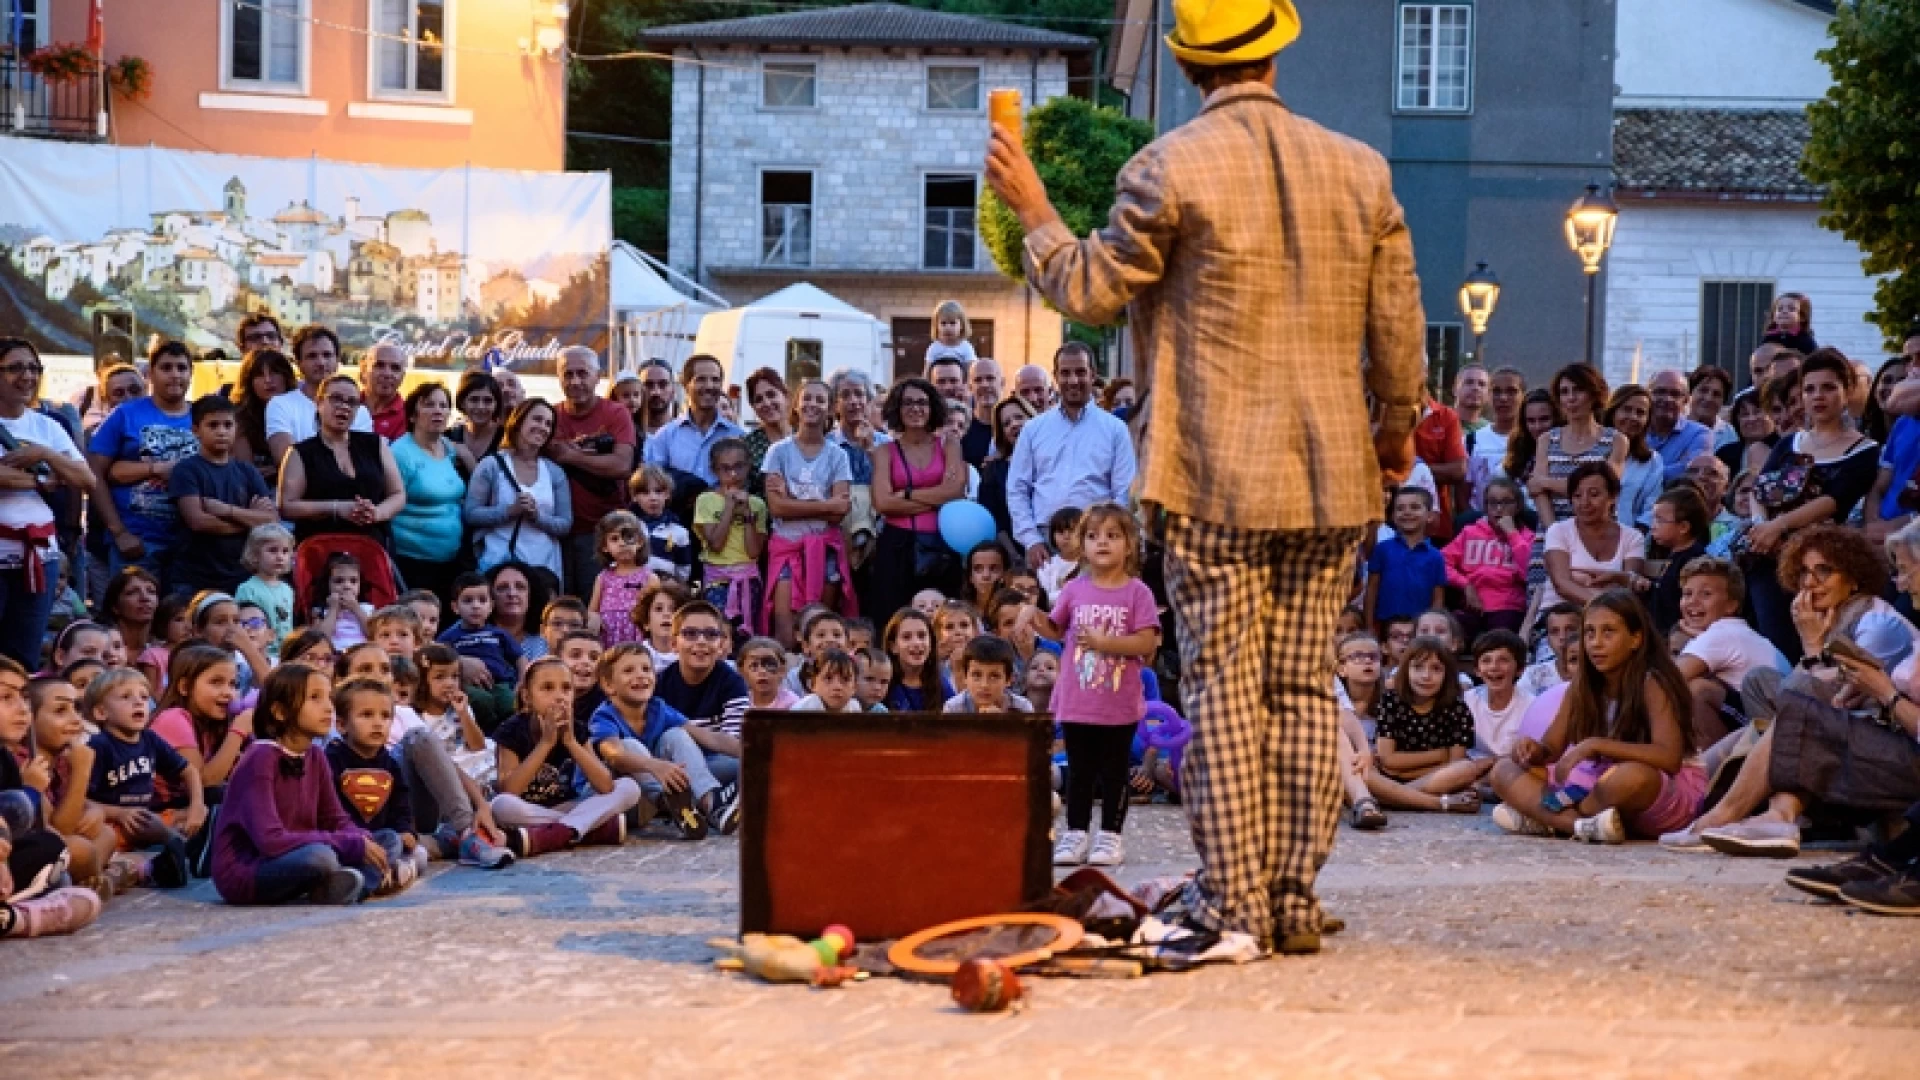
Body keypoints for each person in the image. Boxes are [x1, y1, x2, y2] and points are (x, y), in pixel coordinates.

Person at [989, 0, 1424, 951]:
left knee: (1227, 688)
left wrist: (1036, 211)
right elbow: (1398, 325)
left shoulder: (1167, 166)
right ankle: (1294, 899)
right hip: (1332, 477)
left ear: (1189, 67)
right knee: (1306, 686)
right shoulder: (1362, 168)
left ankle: (1235, 902)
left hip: (1212, 474)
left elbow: (1092, 290)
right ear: (1275, 49)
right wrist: (1396, 431)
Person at [1491, 591, 1703, 844]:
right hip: (1594, 786)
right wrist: (1530, 750)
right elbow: (1551, 750)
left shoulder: (1652, 682)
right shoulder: (1581, 685)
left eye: (1608, 632)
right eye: (1589, 633)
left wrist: (1596, 744)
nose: (1595, 643)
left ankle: (1548, 820)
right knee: (1502, 769)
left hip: (1659, 791)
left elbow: (1669, 758)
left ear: (1636, 639)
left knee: (1632, 777)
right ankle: (1580, 825)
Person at [1023, 505, 1159, 867]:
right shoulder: (1074, 590)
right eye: (1094, 536)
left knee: (1114, 772)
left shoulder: (1137, 593)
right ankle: (1076, 833)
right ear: (1082, 545)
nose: (1103, 543)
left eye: (1113, 536)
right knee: (1080, 770)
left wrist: (1106, 643)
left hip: (1118, 701)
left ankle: (1110, 837)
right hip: (1077, 699)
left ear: (1129, 546)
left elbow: (1147, 643)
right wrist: (1031, 615)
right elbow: (1055, 629)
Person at [1744, 350, 1880, 661]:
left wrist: (1779, 525)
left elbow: (1834, 500)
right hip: (1767, 558)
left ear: (1846, 392)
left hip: (1821, 566)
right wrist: (1760, 525)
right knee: (1771, 645)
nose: (1819, 396)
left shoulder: (1865, 450)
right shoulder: (1788, 442)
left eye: (1829, 387)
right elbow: (1759, 488)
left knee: (1810, 647)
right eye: (1810, 389)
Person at [209, 664, 383, 905]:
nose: (328, 708)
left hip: (298, 849)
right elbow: (270, 841)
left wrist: (361, 839)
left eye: (329, 698)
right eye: (315, 698)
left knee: (386, 840)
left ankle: (340, 886)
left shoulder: (315, 755)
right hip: (251, 869)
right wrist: (349, 844)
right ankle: (366, 881)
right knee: (321, 857)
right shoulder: (260, 758)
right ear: (280, 712)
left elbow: (335, 819)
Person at [490, 657, 641, 858]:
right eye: (547, 688)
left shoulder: (577, 729)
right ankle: (588, 829)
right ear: (527, 697)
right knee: (501, 806)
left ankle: (556, 834)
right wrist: (546, 743)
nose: (559, 696)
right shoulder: (512, 730)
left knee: (630, 787)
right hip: (528, 810)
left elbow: (605, 785)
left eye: (566, 688)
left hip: (568, 805)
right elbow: (510, 790)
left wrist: (571, 742)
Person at [0, 339, 93, 665]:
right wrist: (42, 479)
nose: (26, 376)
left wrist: (44, 453)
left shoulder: (47, 427)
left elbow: (86, 479)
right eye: (14, 368)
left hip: (40, 558)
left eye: (33, 368)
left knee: (24, 658)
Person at [1006, 343, 1136, 573]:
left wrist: (1110, 538)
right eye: (1065, 373)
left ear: (1093, 375)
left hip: (1097, 539)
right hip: (1045, 544)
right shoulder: (1034, 430)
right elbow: (1017, 488)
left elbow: (1124, 490)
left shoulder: (1115, 429)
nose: (1073, 380)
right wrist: (1031, 540)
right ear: (1055, 376)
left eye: (1080, 372)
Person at [89, 340, 199, 587]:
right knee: (133, 619)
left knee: (182, 622)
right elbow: (94, 472)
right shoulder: (126, 414)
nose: (175, 375)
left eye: (182, 368)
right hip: (136, 543)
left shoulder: (204, 416)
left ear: (191, 373)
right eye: (166, 367)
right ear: (150, 374)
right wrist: (119, 533)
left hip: (189, 546)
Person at [586, 643, 722, 841]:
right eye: (628, 671)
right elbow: (614, 755)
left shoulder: (658, 708)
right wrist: (655, 766)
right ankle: (671, 804)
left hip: (649, 799)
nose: (640, 675)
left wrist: (749, 751)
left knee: (676, 735)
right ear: (608, 685)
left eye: (646, 669)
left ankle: (710, 804)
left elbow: (708, 737)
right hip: (622, 801)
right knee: (630, 745)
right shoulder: (604, 716)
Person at [868, 379, 968, 625]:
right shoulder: (884, 452)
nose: (916, 408)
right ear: (897, 409)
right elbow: (883, 503)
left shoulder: (949, 445)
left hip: (942, 546)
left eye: (922, 402)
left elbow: (955, 491)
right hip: (897, 547)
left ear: (933, 407)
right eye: (908, 403)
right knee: (894, 621)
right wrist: (936, 497)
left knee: (943, 622)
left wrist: (907, 494)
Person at [763, 380, 854, 648]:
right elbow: (777, 508)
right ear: (796, 405)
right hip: (788, 549)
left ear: (830, 409)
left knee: (821, 630)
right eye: (807, 398)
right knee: (785, 631)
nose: (812, 404)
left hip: (824, 549)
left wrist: (792, 500)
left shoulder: (837, 455)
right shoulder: (778, 451)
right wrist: (825, 504)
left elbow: (839, 513)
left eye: (820, 400)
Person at [545, 348, 639, 597]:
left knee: (595, 606)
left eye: (583, 373)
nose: (575, 381)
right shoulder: (549, 417)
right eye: (568, 374)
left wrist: (571, 455)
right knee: (561, 604)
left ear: (598, 377)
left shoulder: (615, 413)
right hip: (555, 530)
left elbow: (621, 465)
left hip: (603, 532)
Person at [276, 373, 405, 550]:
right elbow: (287, 506)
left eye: (352, 402)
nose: (344, 407)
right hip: (320, 547)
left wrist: (377, 513)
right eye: (336, 399)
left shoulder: (375, 444)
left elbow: (398, 493)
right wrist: (337, 508)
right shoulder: (300, 452)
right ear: (319, 402)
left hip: (371, 545)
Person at [1671, 558, 1788, 748]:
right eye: (1687, 594)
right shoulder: (1734, 631)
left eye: (1706, 594)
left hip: (1772, 729)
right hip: (1769, 720)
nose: (1692, 602)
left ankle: (1708, 770)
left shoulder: (1722, 634)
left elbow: (1666, 679)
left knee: (1696, 689)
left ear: (1731, 606)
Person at [1363, 636, 1488, 813]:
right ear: (1405, 670)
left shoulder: (1457, 708)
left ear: (1447, 674)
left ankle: (1392, 798)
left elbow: (1454, 762)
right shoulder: (1391, 701)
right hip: (1390, 777)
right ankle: (1423, 800)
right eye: (1418, 667)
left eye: (1436, 669)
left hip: (1432, 778)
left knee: (1466, 769)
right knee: (1366, 771)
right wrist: (1440, 754)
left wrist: (1401, 772)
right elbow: (1388, 759)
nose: (1426, 676)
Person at [169, 395, 277, 597]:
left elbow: (271, 519)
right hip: (194, 576)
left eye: (228, 425)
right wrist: (249, 520)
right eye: (213, 425)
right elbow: (198, 521)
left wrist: (226, 510)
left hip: (241, 576)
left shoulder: (247, 471)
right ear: (196, 430)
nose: (221, 431)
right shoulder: (186, 470)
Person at [653, 603, 748, 819]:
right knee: (673, 734)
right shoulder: (659, 684)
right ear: (674, 643)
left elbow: (732, 744)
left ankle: (691, 803)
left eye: (711, 634)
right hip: (673, 769)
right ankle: (714, 804)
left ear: (721, 643)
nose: (701, 641)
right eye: (690, 634)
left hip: (715, 764)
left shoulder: (732, 682)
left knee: (756, 767)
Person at [465, 399, 572, 584]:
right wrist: (509, 511)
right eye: (537, 419)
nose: (543, 427)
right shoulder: (491, 465)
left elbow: (565, 523)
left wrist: (537, 517)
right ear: (519, 422)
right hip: (499, 561)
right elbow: (471, 513)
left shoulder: (554, 472)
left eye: (548, 423)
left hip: (543, 565)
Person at [1533, 461, 1647, 625]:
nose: (1584, 503)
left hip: (1609, 620)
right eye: (1577, 496)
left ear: (1613, 497)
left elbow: (1629, 586)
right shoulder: (1558, 531)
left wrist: (1608, 606)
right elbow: (1561, 584)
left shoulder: (1633, 537)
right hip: (1560, 620)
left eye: (1594, 494)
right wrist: (1604, 604)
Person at [389, 382, 468, 603]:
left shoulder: (449, 448)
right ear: (413, 415)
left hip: (450, 561)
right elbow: (388, 502)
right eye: (429, 405)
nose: (438, 411)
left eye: (444, 406)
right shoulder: (400, 453)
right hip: (411, 562)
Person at [1530, 364, 1629, 535]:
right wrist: (1555, 532)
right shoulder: (1546, 440)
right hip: (1553, 530)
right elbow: (1538, 493)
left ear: (1593, 394)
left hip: (1598, 533)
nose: (1571, 398)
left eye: (1578, 390)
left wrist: (1546, 482)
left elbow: (1603, 487)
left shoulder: (1616, 440)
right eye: (1564, 392)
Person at [264, 327, 373, 468]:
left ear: (337, 360)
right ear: (298, 363)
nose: (321, 362)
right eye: (312, 356)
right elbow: (287, 462)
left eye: (327, 355)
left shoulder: (360, 412)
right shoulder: (280, 405)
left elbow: (361, 463)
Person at [695, 439, 768, 638]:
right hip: (717, 581)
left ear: (749, 466)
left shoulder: (757, 504)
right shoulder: (706, 500)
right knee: (718, 633)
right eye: (725, 469)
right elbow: (716, 544)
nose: (733, 475)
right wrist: (728, 507)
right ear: (714, 470)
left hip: (748, 579)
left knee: (745, 635)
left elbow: (754, 551)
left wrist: (747, 514)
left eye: (738, 467)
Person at [1443, 477, 1532, 639]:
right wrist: (1465, 585)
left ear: (1518, 506)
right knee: (1450, 632)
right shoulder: (1469, 532)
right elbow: (1440, 563)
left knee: (1500, 638)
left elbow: (1529, 573)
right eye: (1492, 503)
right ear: (1485, 507)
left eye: (1506, 503)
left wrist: (1512, 535)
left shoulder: (1527, 537)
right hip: (1472, 604)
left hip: (1508, 606)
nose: (1498, 509)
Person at [1364, 488, 1446, 632]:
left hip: (1419, 627)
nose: (1407, 512)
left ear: (1429, 516)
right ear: (1393, 516)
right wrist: (1369, 626)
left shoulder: (1435, 556)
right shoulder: (1382, 549)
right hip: (1384, 624)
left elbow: (1438, 598)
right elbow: (1371, 590)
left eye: (1414, 507)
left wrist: (1431, 630)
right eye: (1400, 509)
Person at [1646, 486, 1712, 636]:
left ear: (1683, 527)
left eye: (1660, 521)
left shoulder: (1695, 562)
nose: (1653, 527)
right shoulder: (1674, 555)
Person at [227, 348, 296, 489]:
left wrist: (279, 469)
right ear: (249, 382)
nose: (268, 380)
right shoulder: (240, 417)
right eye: (259, 375)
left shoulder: (299, 408)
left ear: (286, 376)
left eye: (274, 372)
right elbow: (247, 469)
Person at [586, 511, 653, 649]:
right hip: (607, 638)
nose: (622, 543)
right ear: (605, 547)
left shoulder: (649, 578)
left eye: (628, 537)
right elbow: (592, 611)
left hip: (637, 638)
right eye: (614, 539)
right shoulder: (603, 577)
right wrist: (594, 619)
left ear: (639, 541)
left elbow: (653, 610)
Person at [1466, 629, 1533, 761]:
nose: (1494, 667)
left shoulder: (1531, 706)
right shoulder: (1467, 700)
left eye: (1503, 660)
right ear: (1477, 670)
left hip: (1511, 771)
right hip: (1471, 769)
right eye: (1486, 661)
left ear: (1520, 669)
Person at [977, 396, 1035, 545]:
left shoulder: (1052, 461)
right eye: (1006, 423)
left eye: (1019, 417)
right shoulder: (993, 470)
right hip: (1013, 555)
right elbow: (993, 520)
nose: (1014, 424)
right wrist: (1014, 556)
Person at [1603, 384, 1662, 529]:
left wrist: (1633, 538)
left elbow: (1652, 508)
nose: (1633, 417)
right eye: (1626, 409)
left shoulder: (1652, 460)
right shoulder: (1592, 449)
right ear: (1613, 412)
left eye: (1640, 413)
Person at [1467, 367, 1524, 512]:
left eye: (1511, 391)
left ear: (1523, 396)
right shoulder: (1472, 440)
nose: (1503, 398)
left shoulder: (1535, 440)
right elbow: (1464, 491)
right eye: (1496, 391)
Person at [1646, 370, 1712, 482]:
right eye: (1660, 392)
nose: (1667, 399)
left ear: (1686, 400)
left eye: (1675, 394)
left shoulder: (1700, 434)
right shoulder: (1635, 429)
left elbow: (1692, 473)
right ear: (1647, 395)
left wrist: (1639, 474)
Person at [740, 367, 792, 494]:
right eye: (759, 399)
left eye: (771, 394)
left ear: (785, 396)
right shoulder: (747, 446)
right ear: (753, 407)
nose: (766, 403)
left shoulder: (806, 437)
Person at [447, 369, 504, 463]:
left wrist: (466, 456)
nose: (481, 407)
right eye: (474, 400)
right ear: (462, 402)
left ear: (496, 404)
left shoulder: (507, 439)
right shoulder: (447, 437)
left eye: (488, 400)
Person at [359, 344, 409, 442]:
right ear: (364, 370)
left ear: (402, 377)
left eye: (395, 368)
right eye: (379, 365)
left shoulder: (410, 418)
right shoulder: (345, 405)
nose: (387, 374)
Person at [963, 358, 1005, 467]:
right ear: (970, 387)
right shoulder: (962, 428)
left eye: (990, 378)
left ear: (1002, 383)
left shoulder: (1015, 428)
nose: (984, 384)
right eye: (978, 380)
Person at [1687, 365, 1735, 449]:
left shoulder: (1731, 436)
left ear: (1723, 401)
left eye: (1716, 394)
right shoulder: (1673, 428)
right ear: (1690, 392)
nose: (1709, 398)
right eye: (1703, 390)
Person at [926, 298, 978, 370]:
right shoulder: (934, 348)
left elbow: (972, 371)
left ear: (962, 325)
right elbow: (927, 372)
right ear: (937, 326)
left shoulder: (966, 347)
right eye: (943, 323)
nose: (948, 327)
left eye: (952, 323)